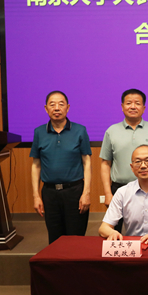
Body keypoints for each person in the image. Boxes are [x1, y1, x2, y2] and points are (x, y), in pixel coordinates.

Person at [100, 89, 148, 233]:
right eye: (129, 103)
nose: (133, 106)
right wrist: (107, 193)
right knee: (112, 231)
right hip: (119, 188)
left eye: (137, 103)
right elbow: (106, 163)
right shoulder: (111, 131)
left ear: (144, 108)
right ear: (122, 106)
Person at [30, 91, 92, 244]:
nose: (56, 108)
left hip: (75, 191)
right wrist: (36, 196)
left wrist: (86, 193)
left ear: (67, 108)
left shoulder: (80, 130)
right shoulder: (39, 132)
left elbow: (87, 162)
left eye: (61, 104)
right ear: (46, 109)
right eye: (52, 104)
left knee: (76, 239)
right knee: (55, 239)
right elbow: (36, 165)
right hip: (49, 193)